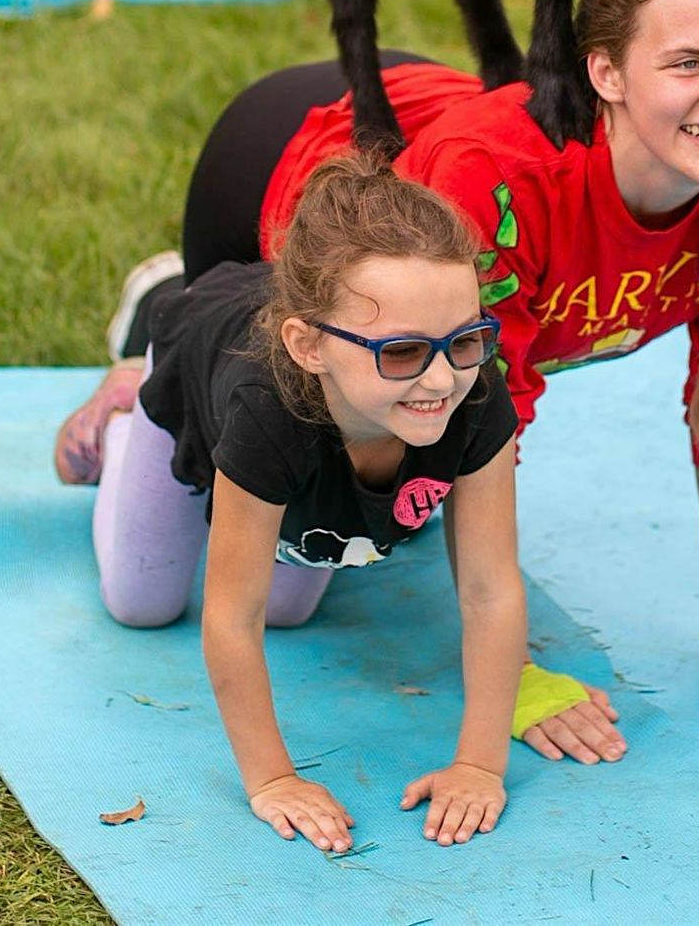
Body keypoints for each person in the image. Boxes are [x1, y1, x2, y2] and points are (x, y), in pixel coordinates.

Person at [60, 0, 699, 765]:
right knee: (256, 455)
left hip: (430, 135)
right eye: (687, 63)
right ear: (605, 72)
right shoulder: (505, 186)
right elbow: (481, 416)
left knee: (347, 530)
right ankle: (164, 321)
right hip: (278, 164)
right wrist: (510, 672)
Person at [91, 150, 525, 851]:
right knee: (142, 602)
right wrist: (272, 781)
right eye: (404, 352)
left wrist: (479, 764)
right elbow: (232, 616)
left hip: (299, 456)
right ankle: (122, 408)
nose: (443, 378)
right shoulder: (269, 409)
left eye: (466, 339)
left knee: (291, 610)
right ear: (309, 346)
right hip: (195, 377)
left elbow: (489, 587)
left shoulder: (472, 388)